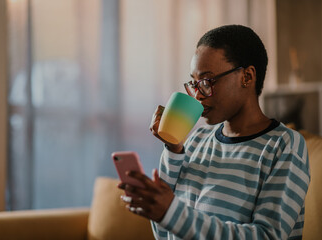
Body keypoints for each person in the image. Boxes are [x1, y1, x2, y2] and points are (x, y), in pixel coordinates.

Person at [118, 25, 310, 240]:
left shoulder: (284, 145)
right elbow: (165, 234)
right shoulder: (196, 141)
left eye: (207, 81)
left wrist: (170, 213)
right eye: (194, 83)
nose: (198, 95)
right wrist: (173, 150)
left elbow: (267, 236)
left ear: (247, 76)